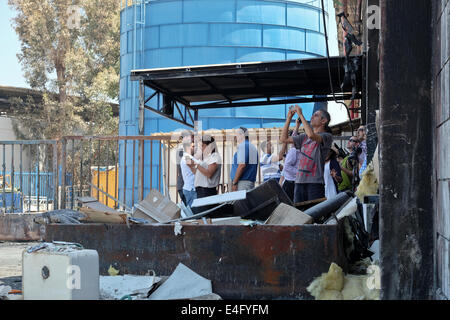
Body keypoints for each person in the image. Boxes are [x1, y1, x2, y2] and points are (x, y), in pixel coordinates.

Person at [280, 105, 333, 203]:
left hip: (315, 183)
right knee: (301, 214)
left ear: (323, 121)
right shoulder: (304, 137)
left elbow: (312, 135)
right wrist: (288, 119)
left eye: (316, 115)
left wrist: (300, 114)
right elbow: (284, 139)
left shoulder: (327, 136)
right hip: (299, 181)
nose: (312, 117)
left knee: (314, 214)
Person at [187, 135, 222, 214]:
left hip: (206, 191)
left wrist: (197, 165)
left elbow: (209, 174)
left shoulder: (215, 156)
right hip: (201, 190)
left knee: (205, 215)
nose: (201, 148)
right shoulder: (207, 158)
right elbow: (198, 173)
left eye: (202, 146)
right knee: (202, 215)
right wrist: (191, 166)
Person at [279, 120, 301, 202]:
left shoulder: (296, 150)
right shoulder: (294, 151)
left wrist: (297, 126)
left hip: (293, 182)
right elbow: (286, 167)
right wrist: (300, 172)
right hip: (291, 184)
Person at [230, 127, 258, 191]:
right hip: (247, 182)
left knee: (240, 201)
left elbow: (241, 165)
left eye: (236, 134)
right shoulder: (251, 146)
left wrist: (234, 182)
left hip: (242, 183)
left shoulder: (243, 146)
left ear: (242, 135)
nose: (235, 136)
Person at [180, 140, 196, 208]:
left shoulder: (186, 157)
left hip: (189, 188)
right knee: (193, 211)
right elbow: (197, 171)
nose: (194, 148)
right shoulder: (187, 157)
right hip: (191, 188)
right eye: (193, 146)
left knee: (192, 210)